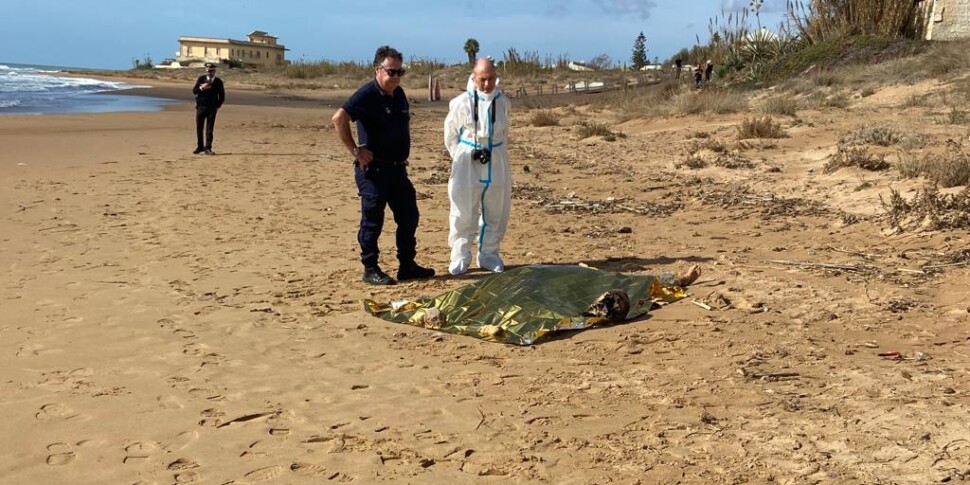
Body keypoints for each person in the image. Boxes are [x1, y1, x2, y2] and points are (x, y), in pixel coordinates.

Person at [331, 46, 435, 285]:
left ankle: (407, 266)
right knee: (373, 220)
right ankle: (370, 268)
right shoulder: (367, 94)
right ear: (378, 70)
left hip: (398, 169)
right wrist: (356, 150)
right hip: (374, 171)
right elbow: (339, 118)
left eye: (400, 72)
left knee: (409, 216)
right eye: (391, 72)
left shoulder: (398, 94)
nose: (396, 77)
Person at [443, 58, 512, 275]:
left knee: (496, 208)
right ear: (474, 77)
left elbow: (505, 132)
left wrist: (496, 151)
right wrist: (461, 156)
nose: (486, 84)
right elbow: (450, 133)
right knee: (463, 208)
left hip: (496, 156)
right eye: (482, 79)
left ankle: (489, 254)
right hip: (467, 159)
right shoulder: (460, 102)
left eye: (491, 78)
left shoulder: (503, 102)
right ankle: (460, 254)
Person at [192, 62, 225, 155]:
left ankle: (208, 147)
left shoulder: (218, 81)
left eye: (211, 71)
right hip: (201, 107)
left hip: (212, 108)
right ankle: (200, 146)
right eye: (208, 71)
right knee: (199, 127)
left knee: (209, 128)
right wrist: (201, 88)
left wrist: (217, 106)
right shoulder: (201, 79)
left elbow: (222, 96)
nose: (209, 73)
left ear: (214, 71)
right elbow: (194, 91)